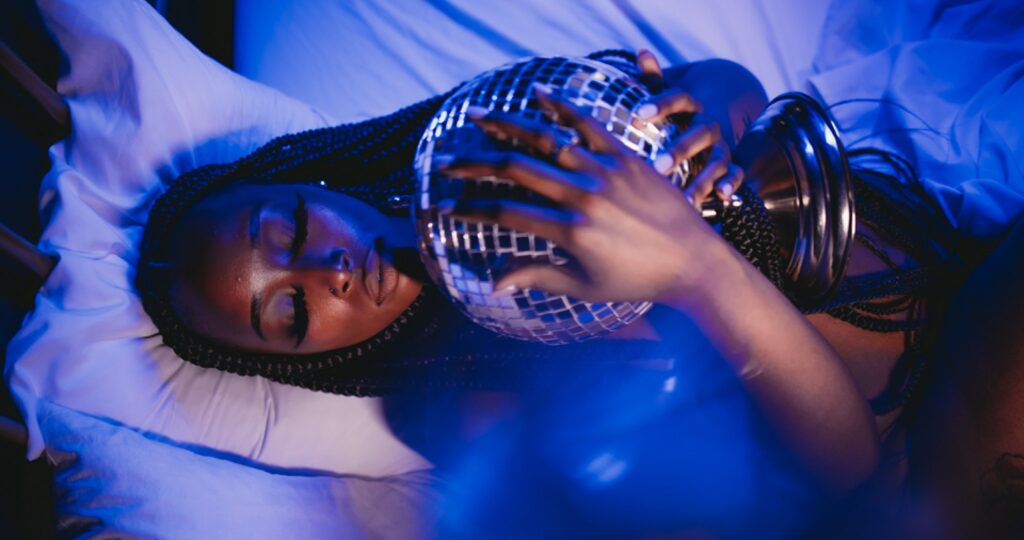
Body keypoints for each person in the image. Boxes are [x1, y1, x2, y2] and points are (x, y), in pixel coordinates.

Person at [137, 49, 964, 501]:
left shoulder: (490, 137)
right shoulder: (460, 405)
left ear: (311, 180)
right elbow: (854, 475)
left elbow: (720, 85)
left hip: (926, 242)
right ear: (302, 356)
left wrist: (707, 111)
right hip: (924, 416)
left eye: (289, 228)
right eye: (288, 312)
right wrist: (696, 273)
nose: (328, 272)